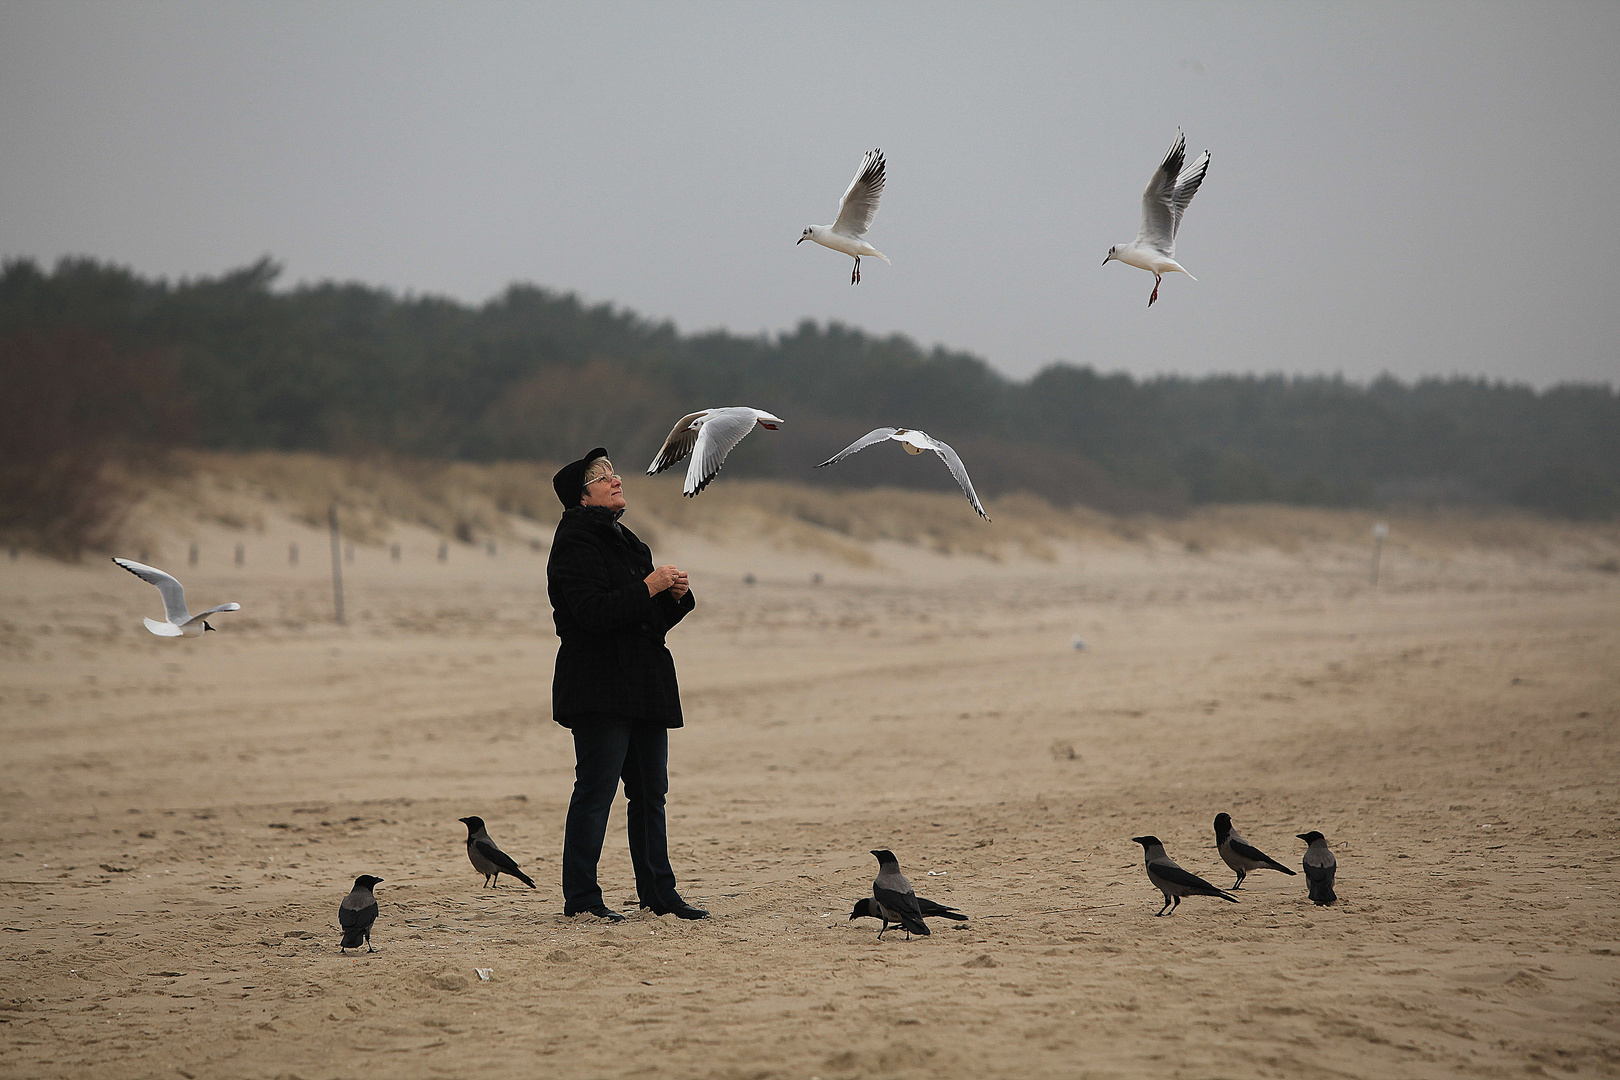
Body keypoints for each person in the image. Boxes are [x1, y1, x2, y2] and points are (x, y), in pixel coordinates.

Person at [547, 447, 708, 921]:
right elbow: (593, 614)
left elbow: (645, 621)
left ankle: (659, 894)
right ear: (580, 497)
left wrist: (675, 597)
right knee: (595, 792)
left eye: (614, 472)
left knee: (650, 793)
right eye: (601, 476)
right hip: (597, 686)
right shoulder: (575, 541)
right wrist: (650, 587)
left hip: (641, 685)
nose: (615, 480)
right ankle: (581, 899)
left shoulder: (627, 541)